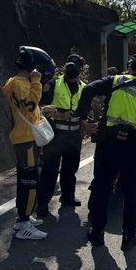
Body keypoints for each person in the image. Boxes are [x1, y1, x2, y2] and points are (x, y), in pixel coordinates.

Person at [77, 54, 136, 250]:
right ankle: (129, 238)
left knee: (102, 189)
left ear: (129, 67)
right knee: (131, 193)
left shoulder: (114, 81)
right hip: (132, 149)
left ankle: (97, 233)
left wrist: (83, 119)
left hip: (107, 145)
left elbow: (88, 89)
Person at [1, 46, 55, 240]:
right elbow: (30, 108)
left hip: (24, 137)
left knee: (26, 180)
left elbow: (27, 107)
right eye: (41, 69)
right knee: (30, 182)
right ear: (34, 67)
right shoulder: (22, 84)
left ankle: (22, 219)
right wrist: (37, 82)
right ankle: (24, 223)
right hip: (25, 138)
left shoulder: (15, 82)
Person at [37, 54, 86, 218]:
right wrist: (58, 114)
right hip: (56, 135)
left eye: (75, 67)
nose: (71, 69)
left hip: (74, 135)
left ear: (80, 70)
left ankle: (68, 197)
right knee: (49, 170)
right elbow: (41, 107)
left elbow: (85, 111)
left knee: (70, 169)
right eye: (69, 66)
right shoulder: (53, 84)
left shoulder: (84, 88)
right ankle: (43, 204)